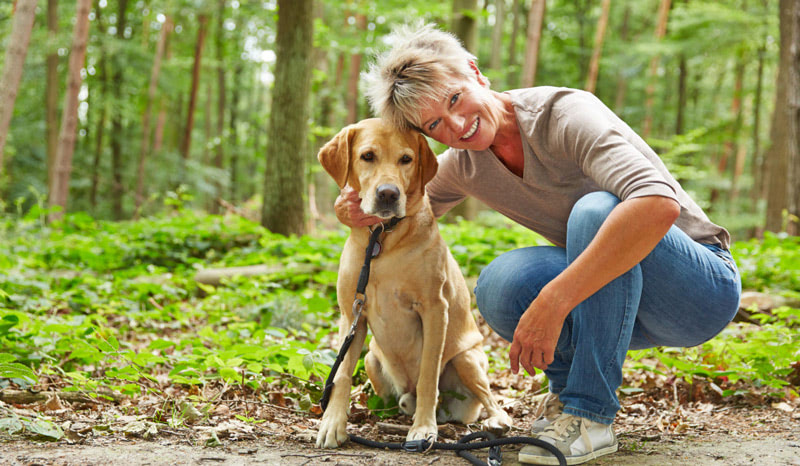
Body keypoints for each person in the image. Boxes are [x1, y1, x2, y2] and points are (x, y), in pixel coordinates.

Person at [335, 23, 741, 465]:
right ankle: (567, 399)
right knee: (500, 284)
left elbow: (657, 205)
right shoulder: (464, 164)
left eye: (455, 99)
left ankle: (591, 415)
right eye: (435, 124)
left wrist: (555, 300)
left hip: (698, 291)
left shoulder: (565, 114)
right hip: (623, 298)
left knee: (596, 211)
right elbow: (404, 206)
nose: (455, 124)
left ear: (474, 71)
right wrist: (354, 211)